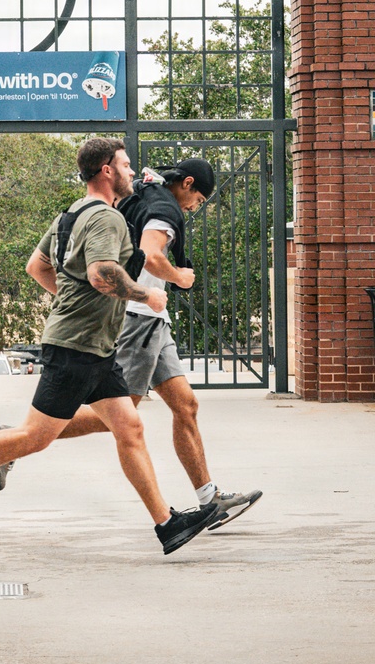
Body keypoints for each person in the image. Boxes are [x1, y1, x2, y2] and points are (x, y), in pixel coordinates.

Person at [0, 137, 222, 555]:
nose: (134, 172)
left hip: (96, 344)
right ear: (107, 171)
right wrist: (146, 295)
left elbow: (36, 266)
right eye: (125, 165)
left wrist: (72, 301)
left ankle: (167, 525)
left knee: (129, 427)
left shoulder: (70, 214)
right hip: (77, 346)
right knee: (35, 437)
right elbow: (101, 273)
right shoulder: (107, 219)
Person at [45, 157, 262, 524]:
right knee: (118, 417)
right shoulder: (164, 210)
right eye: (199, 199)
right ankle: (17, 439)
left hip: (152, 322)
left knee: (186, 405)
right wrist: (179, 277)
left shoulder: (149, 194)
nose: (195, 207)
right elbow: (151, 256)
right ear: (187, 184)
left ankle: (210, 500)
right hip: (138, 319)